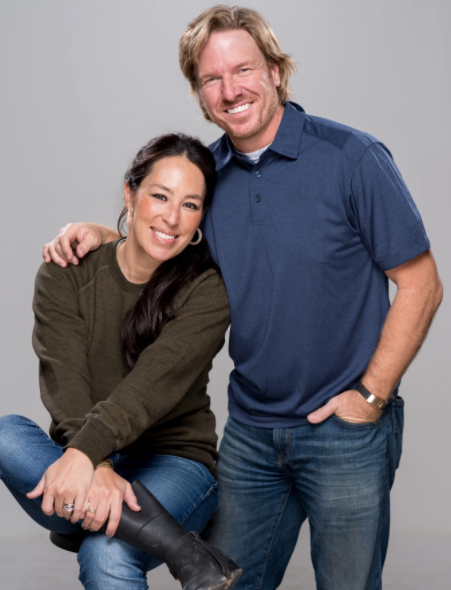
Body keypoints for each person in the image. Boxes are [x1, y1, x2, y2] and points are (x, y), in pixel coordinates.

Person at [41, 6, 443, 590]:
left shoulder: (351, 158)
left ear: (277, 71)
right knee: (220, 581)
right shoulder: (207, 181)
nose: (231, 90)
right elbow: (167, 233)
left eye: (244, 70)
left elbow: (422, 283)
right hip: (252, 435)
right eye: (211, 79)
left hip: (345, 433)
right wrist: (107, 234)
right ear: (200, 95)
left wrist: (372, 394)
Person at [0, 133, 243, 590]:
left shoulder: (206, 291)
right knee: (6, 433)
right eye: (160, 196)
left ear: (200, 220)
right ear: (131, 195)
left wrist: (87, 460)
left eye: (190, 205)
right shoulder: (66, 270)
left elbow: (148, 389)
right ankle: (179, 548)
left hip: (176, 463)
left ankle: (95, 516)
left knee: (107, 552)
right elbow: (65, 379)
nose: (172, 217)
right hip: (83, 455)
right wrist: (100, 467)